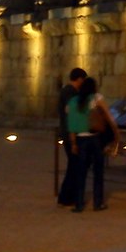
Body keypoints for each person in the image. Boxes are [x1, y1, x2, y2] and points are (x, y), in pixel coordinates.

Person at [66, 76, 120, 212]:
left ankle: (79, 204)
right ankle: (98, 203)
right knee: (98, 171)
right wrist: (116, 132)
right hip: (95, 139)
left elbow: (71, 123)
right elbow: (109, 116)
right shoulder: (97, 98)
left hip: (80, 139)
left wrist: (73, 143)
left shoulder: (73, 102)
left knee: (81, 172)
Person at [56, 67, 87, 207]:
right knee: (74, 165)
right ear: (79, 79)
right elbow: (72, 111)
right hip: (71, 133)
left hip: (69, 132)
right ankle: (66, 196)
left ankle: (69, 195)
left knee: (74, 165)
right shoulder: (70, 92)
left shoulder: (67, 91)